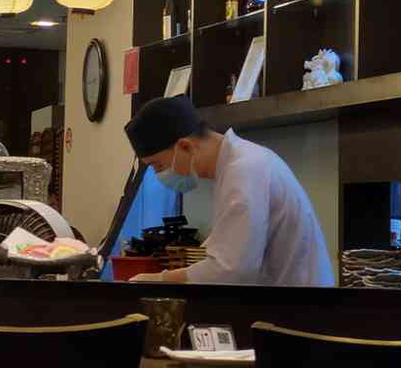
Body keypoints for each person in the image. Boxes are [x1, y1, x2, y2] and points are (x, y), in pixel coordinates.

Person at [123, 95, 333, 286]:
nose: (160, 175)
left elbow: (230, 271)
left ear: (185, 146)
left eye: (158, 166)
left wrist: (161, 279)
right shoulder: (237, 165)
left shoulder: (244, 169)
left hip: (299, 311)